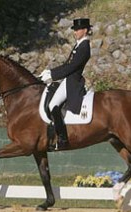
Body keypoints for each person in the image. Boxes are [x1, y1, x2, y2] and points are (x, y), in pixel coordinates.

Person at [40, 18, 92, 150]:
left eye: (77, 29)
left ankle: (62, 139)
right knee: (52, 103)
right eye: (74, 30)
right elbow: (67, 65)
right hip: (68, 79)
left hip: (73, 81)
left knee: (53, 105)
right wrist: (50, 72)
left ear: (85, 30)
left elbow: (72, 67)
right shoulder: (79, 44)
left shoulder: (85, 47)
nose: (75, 32)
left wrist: (52, 76)